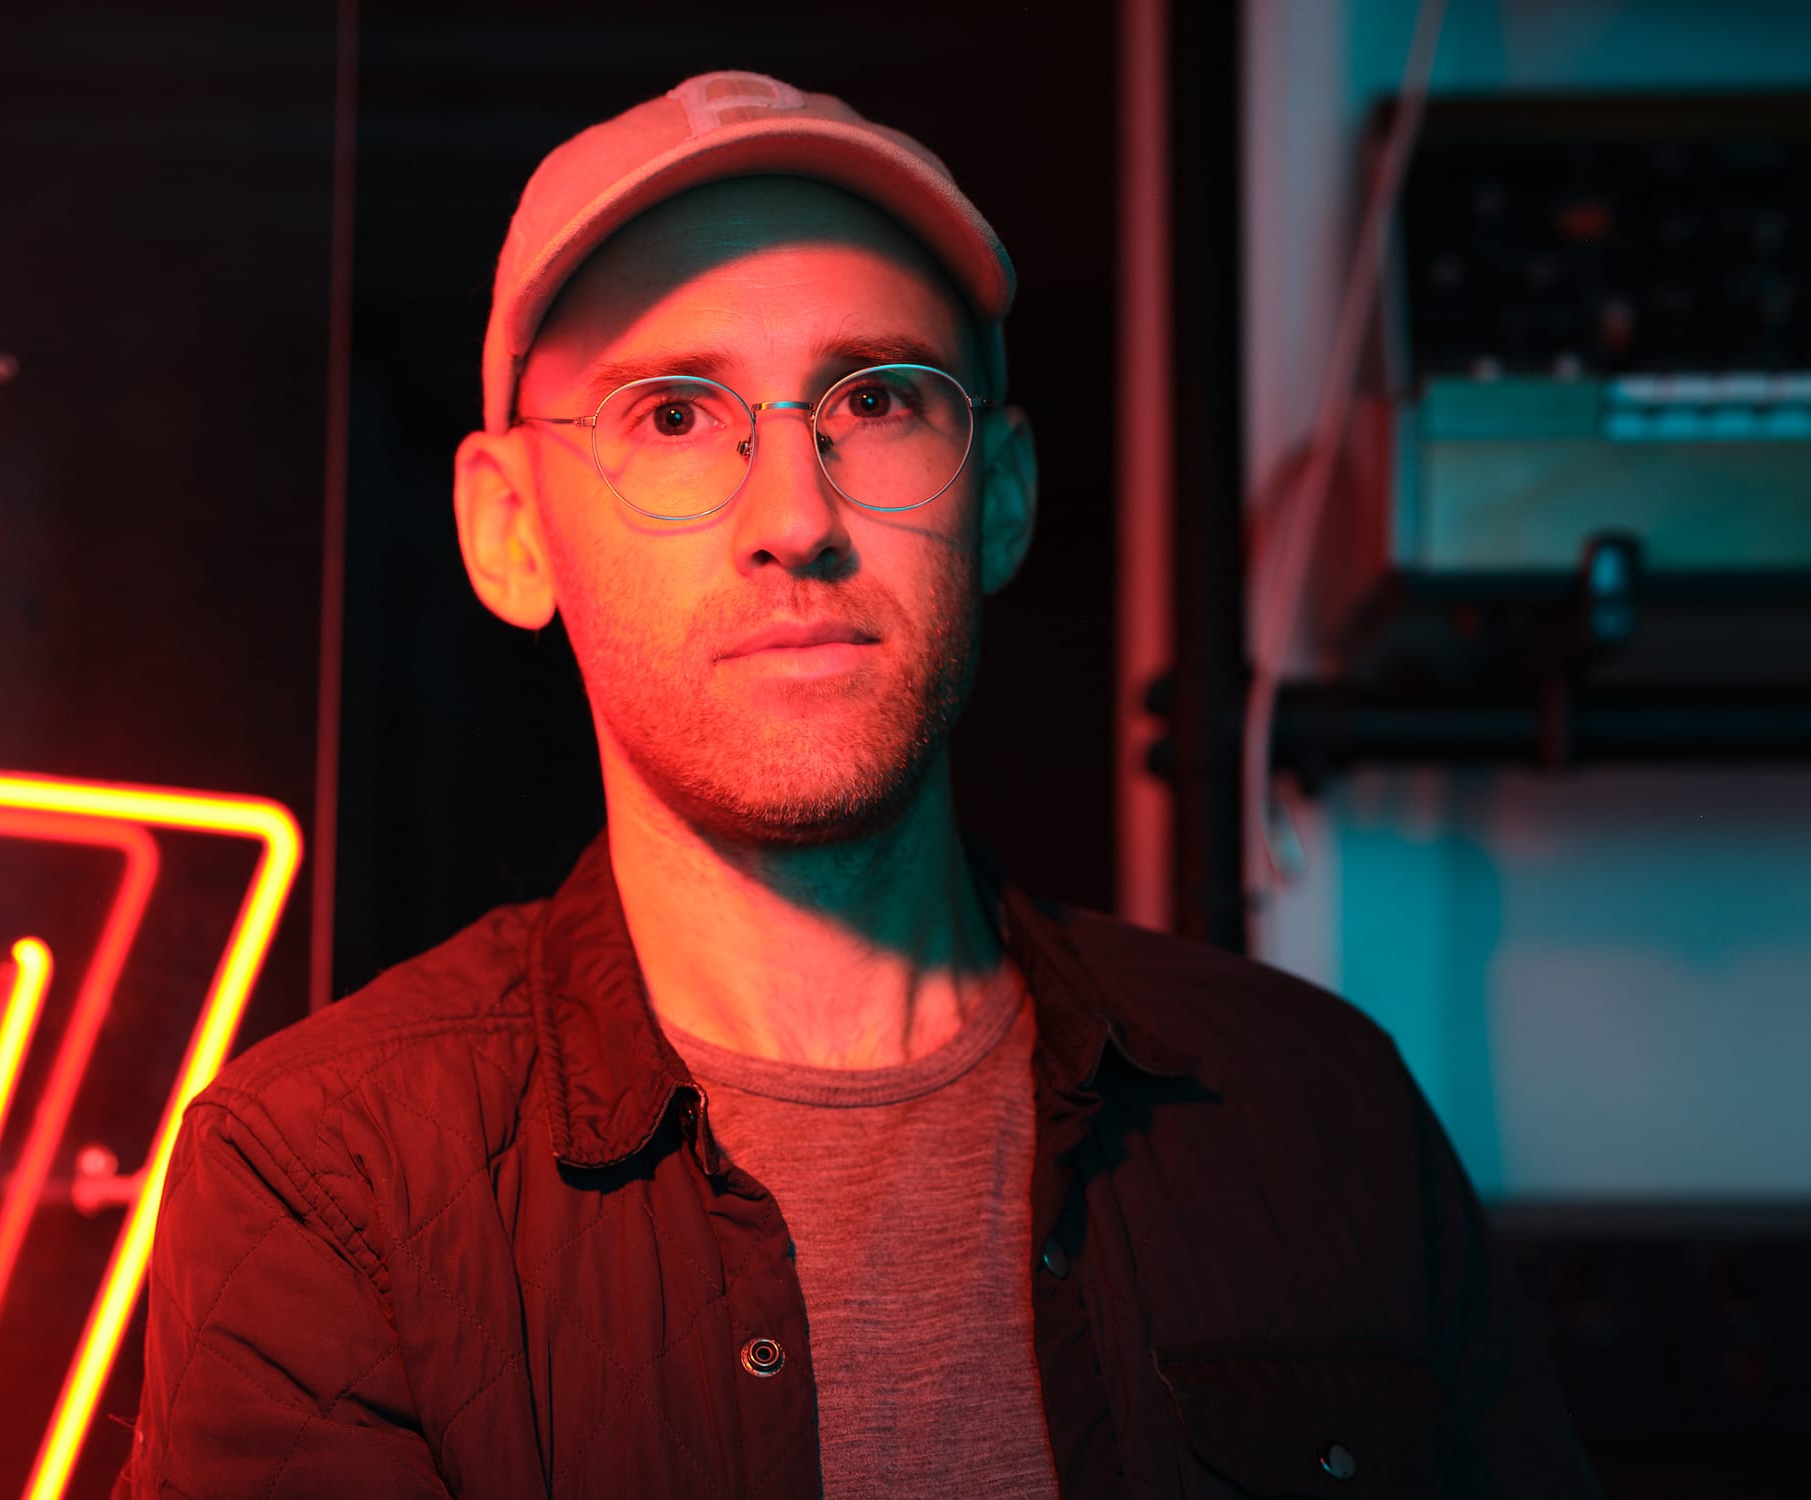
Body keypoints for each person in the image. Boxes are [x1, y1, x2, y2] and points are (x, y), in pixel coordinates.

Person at [119, 71, 1600, 1499]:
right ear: (509, 529)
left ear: (1003, 497)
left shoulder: (1314, 1114)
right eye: (675, 415)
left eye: (878, 401)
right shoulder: (330, 1183)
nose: (795, 518)